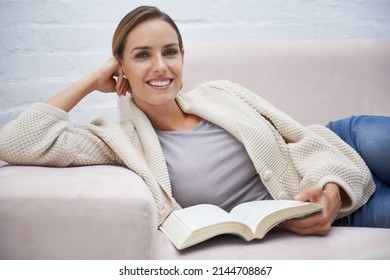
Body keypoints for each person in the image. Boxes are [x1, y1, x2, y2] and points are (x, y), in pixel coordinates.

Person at [0, 6, 388, 236]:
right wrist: (88, 81)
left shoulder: (221, 92)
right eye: (141, 55)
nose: (161, 66)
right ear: (121, 68)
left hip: (342, 148)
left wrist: (333, 187)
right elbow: (16, 143)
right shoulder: (119, 141)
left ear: (183, 57)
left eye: (170, 52)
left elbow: (300, 138)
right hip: (336, 217)